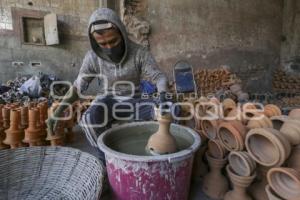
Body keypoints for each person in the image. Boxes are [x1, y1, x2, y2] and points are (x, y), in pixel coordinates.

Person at [46, 8, 169, 162]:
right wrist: (59, 111)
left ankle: (157, 159)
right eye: (103, 43)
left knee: (170, 113)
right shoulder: (92, 58)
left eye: (113, 41)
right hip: (107, 100)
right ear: (95, 42)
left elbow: (159, 77)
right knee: (87, 121)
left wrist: (163, 96)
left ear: (122, 34)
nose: (109, 47)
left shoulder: (139, 53)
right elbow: (78, 87)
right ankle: (107, 160)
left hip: (135, 100)